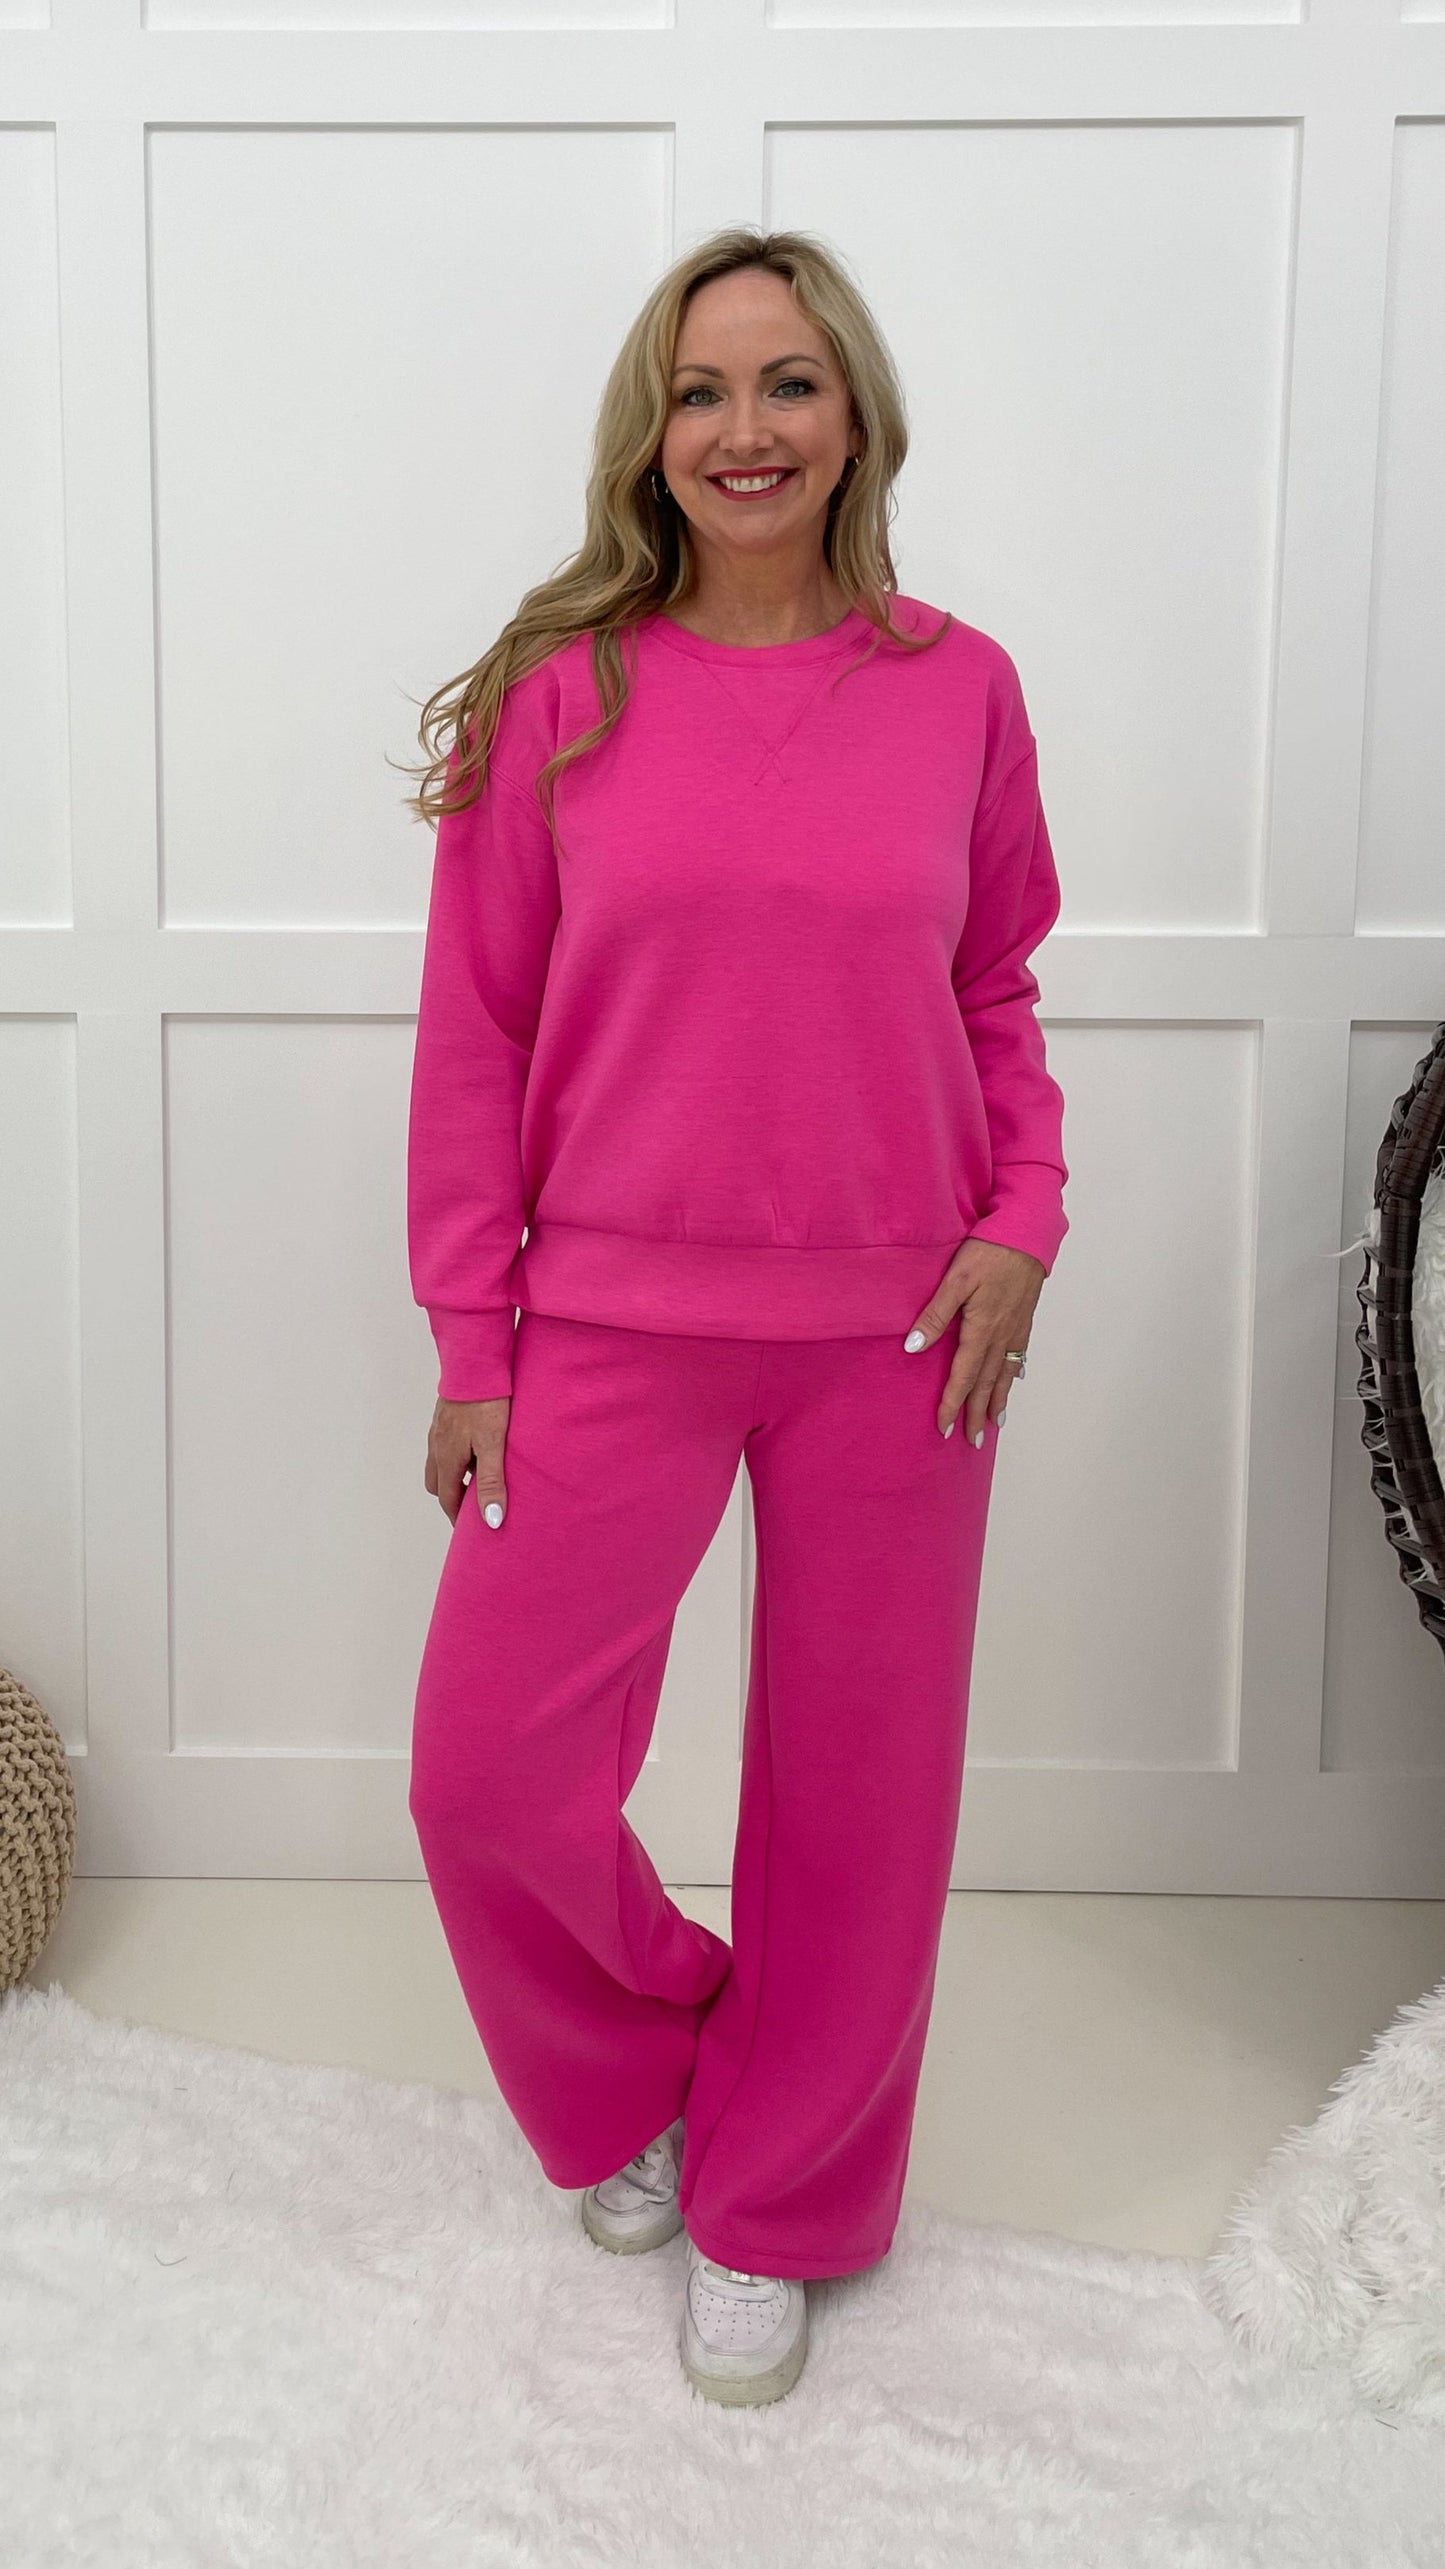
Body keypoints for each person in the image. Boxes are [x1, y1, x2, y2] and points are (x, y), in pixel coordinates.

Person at [400, 225, 1068, 2410]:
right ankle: (653, 2066)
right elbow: (477, 1037)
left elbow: (995, 986)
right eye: (701, 391)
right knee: (486, 1772)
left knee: (859, 1801)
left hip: (906, 1328)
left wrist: (1024, 1217)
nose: (744, 428)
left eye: (788, 383)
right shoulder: (563, 691)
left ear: (855, 417)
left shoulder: (960, 685)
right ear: (651, 432)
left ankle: (780, 2201)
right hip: (603, 1317)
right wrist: (473, 1337)